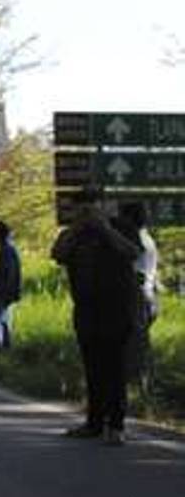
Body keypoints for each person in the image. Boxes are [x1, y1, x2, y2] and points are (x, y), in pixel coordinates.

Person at [51, 188, 142, 445]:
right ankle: (94, 423)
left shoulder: (121, 227)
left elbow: (133, 252)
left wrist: (104, 228)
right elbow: (57, 254)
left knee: (115, 368)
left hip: (118, 309)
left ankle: (116, 425)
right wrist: (78, 228)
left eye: (92, 206)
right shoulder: (73, 234)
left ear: (103, 206)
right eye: (82, 207)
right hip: (87, 310)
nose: (87, 212)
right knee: (93, 368)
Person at [119, 202, 159, 387]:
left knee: (134, 344)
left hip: (138, 296)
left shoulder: (136, 241)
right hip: (147, 296)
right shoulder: (146, 238)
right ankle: (140, 384)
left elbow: (136, 273)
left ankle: (136, 384)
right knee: (139, 343)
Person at [0, 220, 21, 349]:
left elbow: (8, 275)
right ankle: (6, 353)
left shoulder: (6, 250)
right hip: (7, 295)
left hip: (3, 295)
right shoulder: (8, 248)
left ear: (0, 234)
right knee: (4, 324)